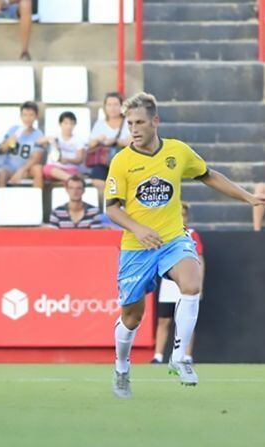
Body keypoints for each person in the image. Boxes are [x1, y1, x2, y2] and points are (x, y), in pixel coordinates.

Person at [105, 92, 265, 398]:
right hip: (137, 248)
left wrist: (246, 196)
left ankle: (179, 357)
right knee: (132, 316)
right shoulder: (122, 161)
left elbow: (208, 175)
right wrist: (137, 228)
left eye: (140, 122)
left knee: (192, 285)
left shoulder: (177, 152)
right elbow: (112, 208)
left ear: (155, 121)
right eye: (130, 124)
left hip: (172, 239)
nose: (134, 129)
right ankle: (122, 368)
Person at [152, 203, 204, 364]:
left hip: (187, 281)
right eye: (178, 213)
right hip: (169, 283)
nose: (182, 217)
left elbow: (199, 259)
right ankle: (158, 356)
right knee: (164, 319)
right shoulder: (164, 233)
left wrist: (199, 284)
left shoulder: (192, 234)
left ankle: (186, 356)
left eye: (184, 214)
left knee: (186, 318)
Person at [88, 92, 130, 193]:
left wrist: (116, 141)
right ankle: (109, 201)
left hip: (124, 161)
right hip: (103, 161)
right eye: (109, 105)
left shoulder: (129, 121)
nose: (112, 108)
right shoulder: (100, 123)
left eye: (116, 104)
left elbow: (133, 141)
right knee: (97, 178)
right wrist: (99, 139)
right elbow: (90, 144)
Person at [0, 101, 43, 188]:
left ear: (36, 117)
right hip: (10, 167)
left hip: (27, 168)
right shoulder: (13, 130)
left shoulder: (38, 134)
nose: (27, 118)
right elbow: (1, 150)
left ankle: (38, 199)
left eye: (31, 115)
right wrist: (9, 142)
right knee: (1, 173)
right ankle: (1, 200)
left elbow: (36, 158)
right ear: (21, 116)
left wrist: (21, 171)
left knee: (38, 169)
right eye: (25, 115)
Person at [42, 111, 85, 183]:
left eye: (72, 123)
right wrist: (49, 139)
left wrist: (67, 160)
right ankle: (72, 179)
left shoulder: (78, 140)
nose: (69, 126)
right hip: (54, 168)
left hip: (70, 168)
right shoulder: (54, 136)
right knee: (46, 169)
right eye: (66, 123)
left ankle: (71, 179)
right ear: (60, 124)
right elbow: (38, 141)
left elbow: (80, 159)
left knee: (71, 182)